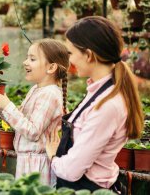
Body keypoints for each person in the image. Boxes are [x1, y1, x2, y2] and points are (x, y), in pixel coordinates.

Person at [46, 16, 144, 193]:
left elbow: (71, 170)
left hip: (87, 188)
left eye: (71, 54)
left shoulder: (108, 105)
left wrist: (53, 155)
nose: (70, 61)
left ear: (89, 55)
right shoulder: (99, 91)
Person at [0, 39, 69, 186]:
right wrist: (1, 107)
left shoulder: (50, 94)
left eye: (32, 59)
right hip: (28, 160)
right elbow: (21, 122)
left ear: (51, 67)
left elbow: (32, 132)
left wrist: (8, 106)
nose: (25, 62)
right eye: (27, 57)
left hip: (38, 165)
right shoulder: (36, 90)